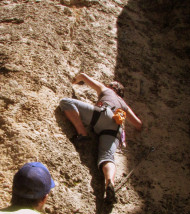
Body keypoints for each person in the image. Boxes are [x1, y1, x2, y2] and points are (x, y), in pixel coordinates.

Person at [60, 73, 142, 206]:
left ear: (112, 87)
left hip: (103, 114)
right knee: (107, 157)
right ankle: (110, 182)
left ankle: (82, 133)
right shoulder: (124, 105)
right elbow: (138, 124)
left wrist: (74, 80)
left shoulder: (107, 90)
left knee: (66, 102)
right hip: (115, 129)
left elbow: (84, 76)